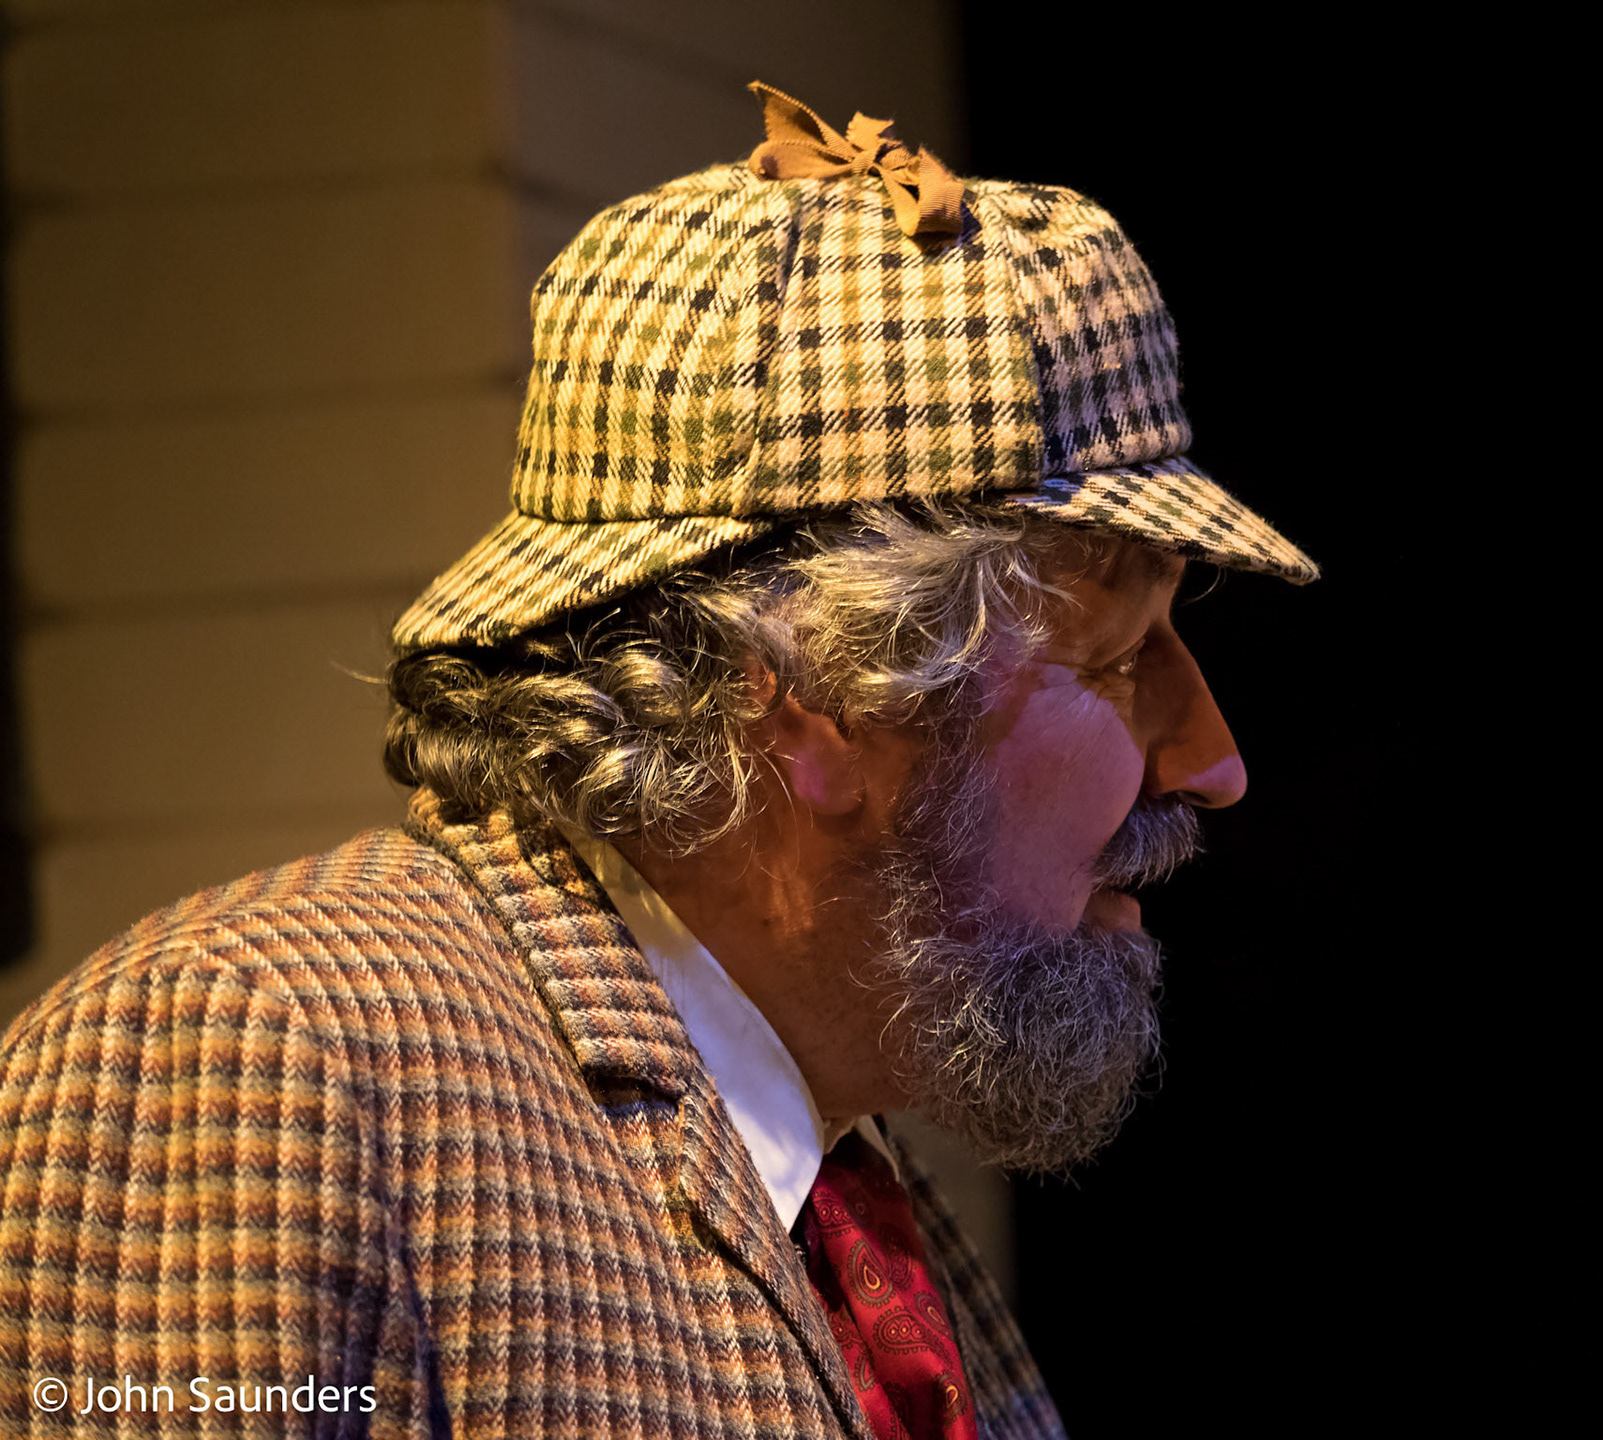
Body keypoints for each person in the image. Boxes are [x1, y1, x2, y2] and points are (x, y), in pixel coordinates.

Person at [0, 84, 1317, 1439]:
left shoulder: (834, 1186)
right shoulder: (251, 1068)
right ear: (821, 698)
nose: (1212, 760)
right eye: (1116, 656)